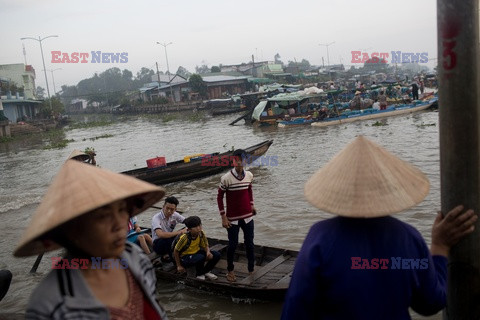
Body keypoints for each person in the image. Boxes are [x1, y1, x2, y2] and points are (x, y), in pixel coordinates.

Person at [281, 136, 477, 320]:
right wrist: (440, 247)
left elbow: (295, 310)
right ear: (387, 189)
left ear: (339, 189)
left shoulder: (320, 239)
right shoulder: (408, 238)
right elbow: (430, 302)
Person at [15, 160, 169, 320]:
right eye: (103, 216)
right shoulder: (51, 304)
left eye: (122, 210)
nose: (120, 224)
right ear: (72, 229)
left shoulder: (134, 258)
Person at [217, 149, 256, 282]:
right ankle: (230, 270)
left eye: (242, 159)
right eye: (236, 160)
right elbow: (219, 197)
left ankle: (251, 269)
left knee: (250, 244)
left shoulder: (249, 175)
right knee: (232, 245)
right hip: (232, 219)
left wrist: (252, 205)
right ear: (233, 161)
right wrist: (223, 216)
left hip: (248, 217)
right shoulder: (226, 178)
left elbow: (249, 189)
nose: (239, 162)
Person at [173, 216, 220, 280]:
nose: (198, 228)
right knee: (200, 257)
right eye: (195, 227)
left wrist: (208, 252)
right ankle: (199, 274)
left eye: (199, 225)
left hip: (196, 253)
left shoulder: (201, 233)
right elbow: (176, 251)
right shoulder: (184, 238)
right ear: (189, 229)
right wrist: (179, 266)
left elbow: (205, 245)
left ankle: (205, 271)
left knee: (216, 255)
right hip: (185, 258)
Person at [151, 196, 186, 262]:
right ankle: (174, 259)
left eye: (172, 209)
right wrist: (179, 232)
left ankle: (183, 254)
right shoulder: (156, 218)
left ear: (175, 209)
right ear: (163, 206)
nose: (169, 211)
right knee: (167, 240)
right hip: (158, 244)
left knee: (186, 232)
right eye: (167, 208)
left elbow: (187, 221)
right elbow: (160, 235)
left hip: (169, 239)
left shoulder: (175, 215)